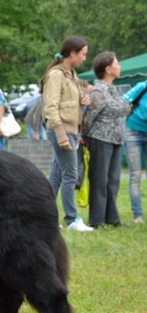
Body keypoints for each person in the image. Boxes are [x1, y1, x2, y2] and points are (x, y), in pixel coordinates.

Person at [41, 36, 94, 232]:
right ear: (72, 53)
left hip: (71, 131)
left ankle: (44, 217)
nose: (84, 58)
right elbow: (51, 107)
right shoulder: (56, 75)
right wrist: (62, 136)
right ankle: (72, 219)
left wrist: (83, 102)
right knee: (71, 175)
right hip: (61, 132)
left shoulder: (71, 74)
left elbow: (68, 103)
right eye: (83, 54)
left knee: (55, 176)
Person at [81, 52, 129, 227]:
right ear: (108, 69)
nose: (120, 66)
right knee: (100, 181)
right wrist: (83, 136)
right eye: (117, 63)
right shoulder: (98, 91)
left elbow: (124, 108)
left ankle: (111, 218)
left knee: (113, 181)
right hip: (100, 139)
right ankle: (96, 220)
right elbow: (88, 118)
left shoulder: (113, 89)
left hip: (116, 139)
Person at [122, 79, 147, 224]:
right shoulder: (142, 86)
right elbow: (122, 102)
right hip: (133, 132)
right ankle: (138, 216)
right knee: (135, 175)